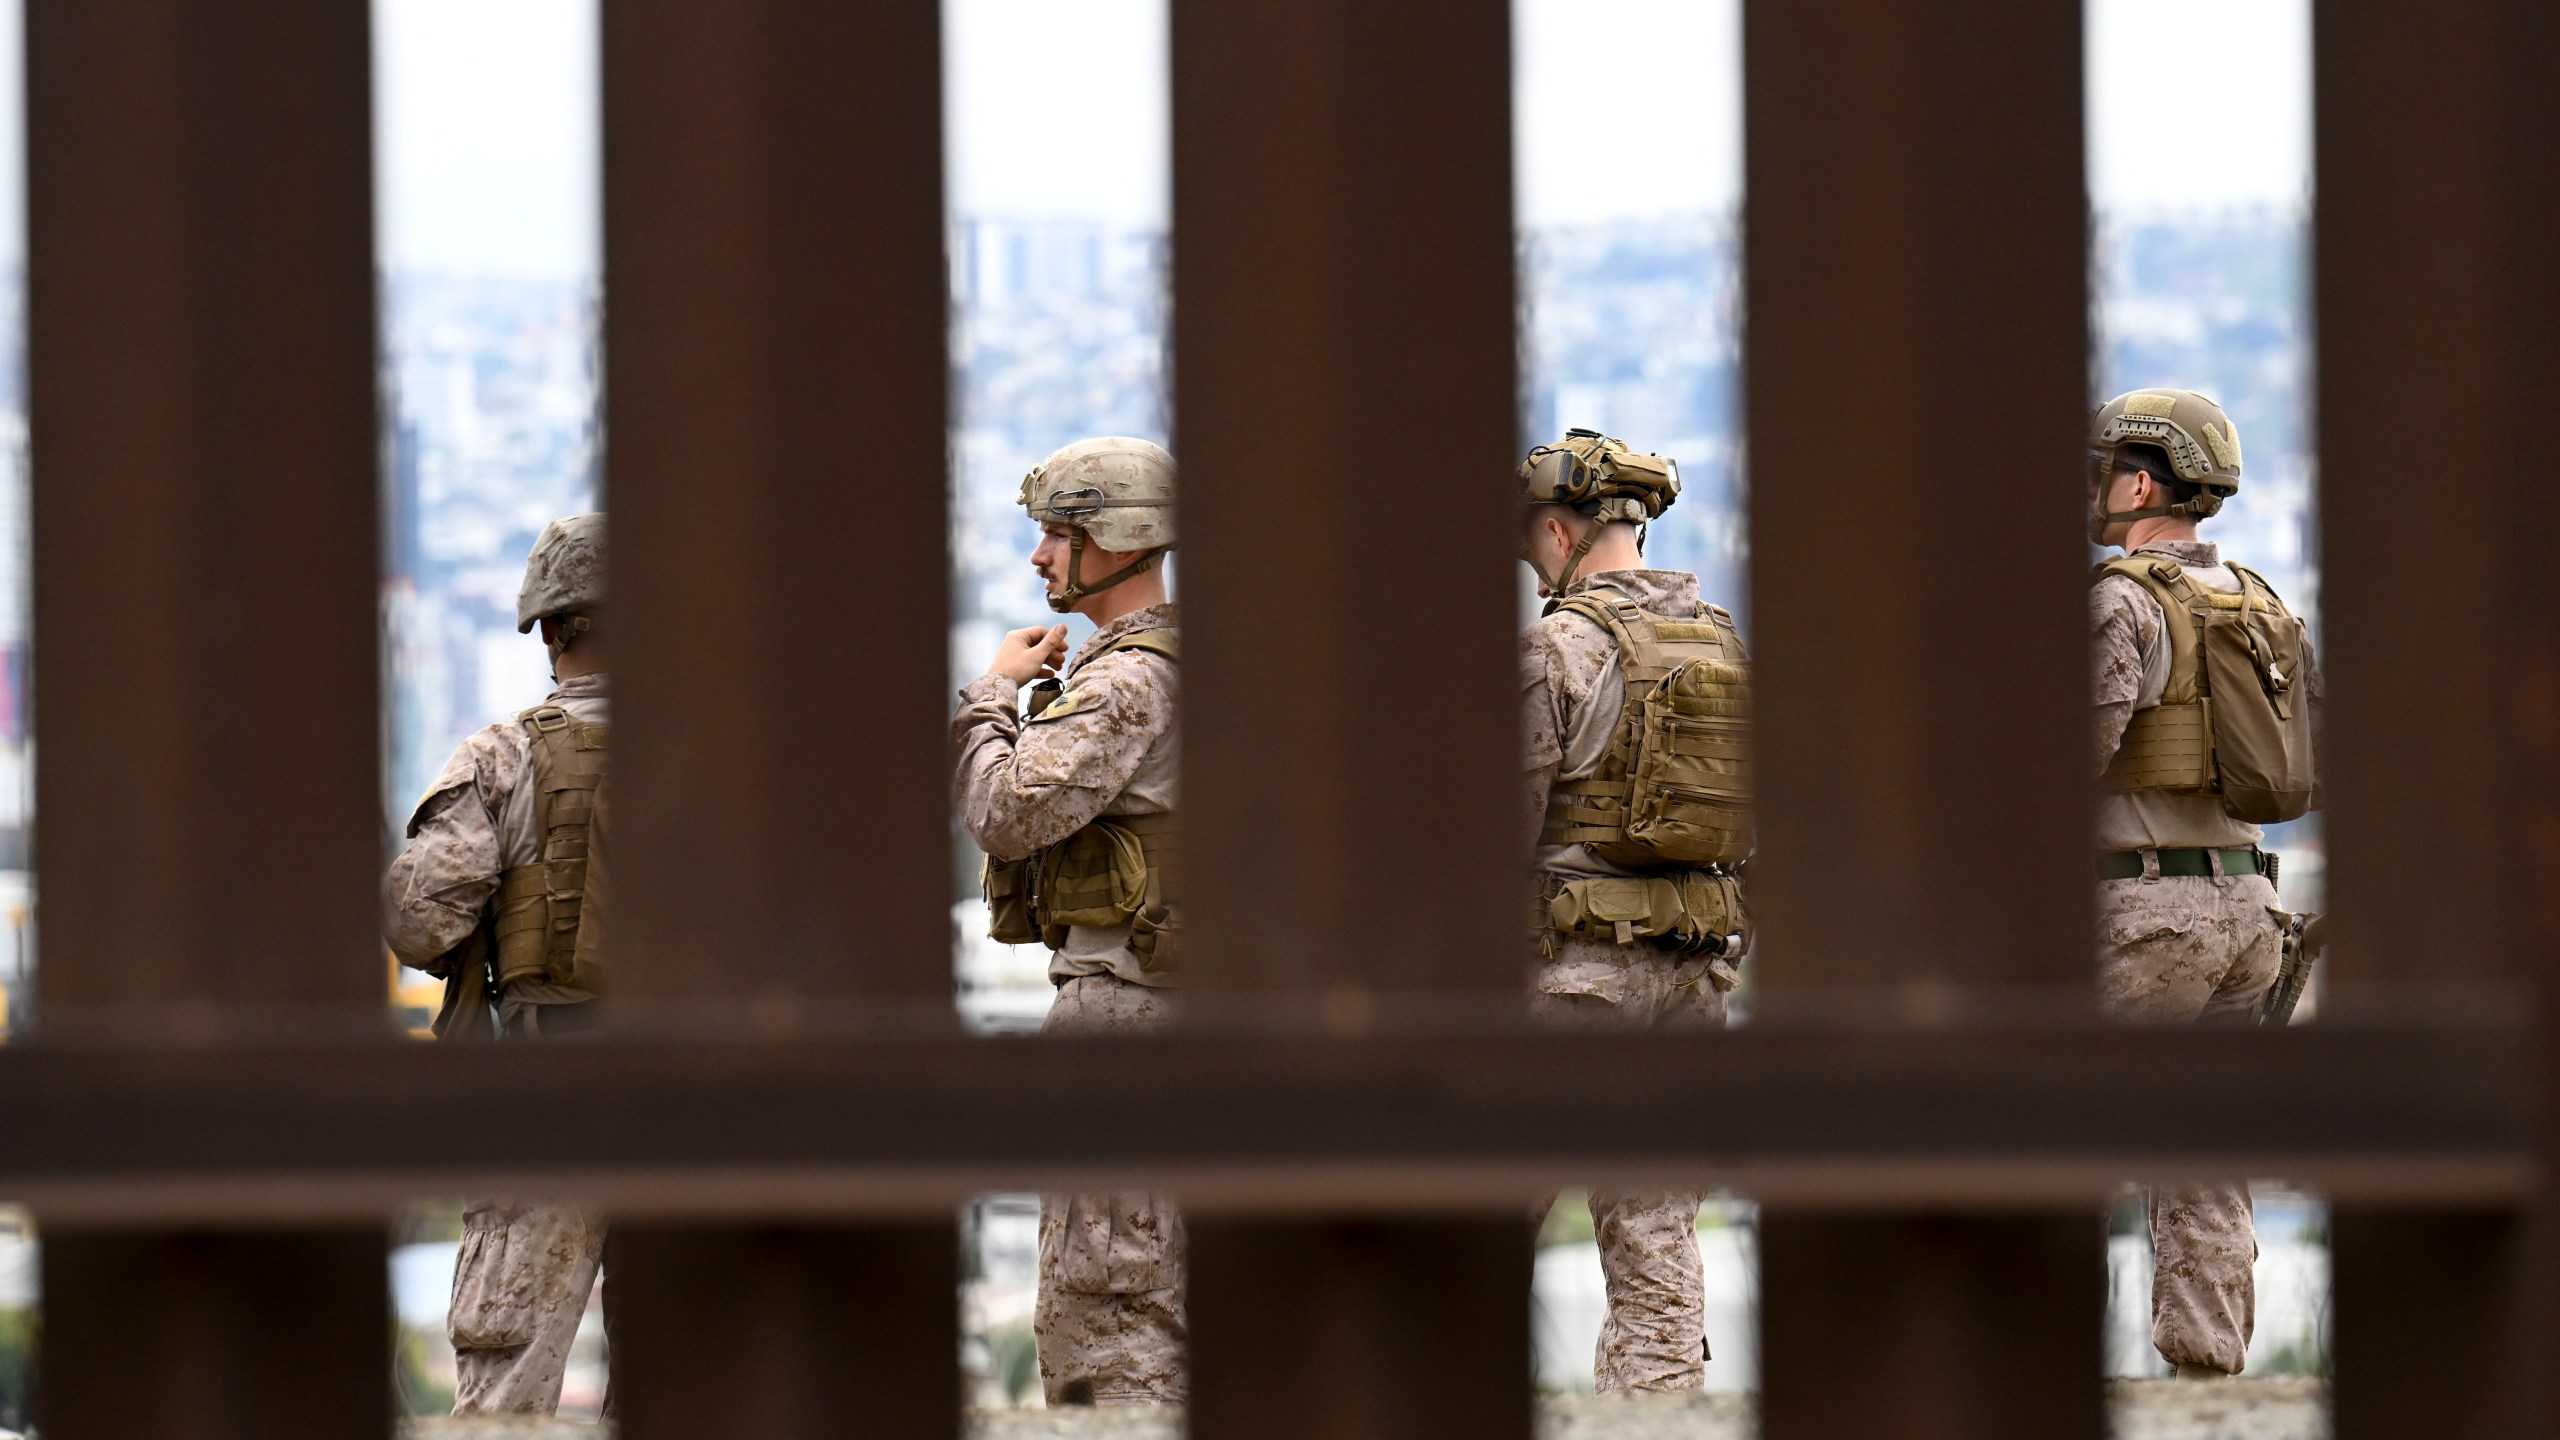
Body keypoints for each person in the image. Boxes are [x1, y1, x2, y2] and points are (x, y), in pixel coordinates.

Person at [2087, 389, 2322, 1377]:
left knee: (2031, 1121)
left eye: (2102, 467)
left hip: (2145, 913)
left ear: (2140, 480)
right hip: (2246, 909)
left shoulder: (2120, 599)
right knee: (2201, 1159)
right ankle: (2208, 1381)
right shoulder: (2260, 600)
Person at [954, 437, 1184, 1405]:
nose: (1041, 558)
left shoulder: (1127, 679)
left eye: (1059, 536)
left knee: (1106, 1303)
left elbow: (1006, 814)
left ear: (1119, 539)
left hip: (1127, 1009)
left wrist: (991, 696)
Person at [1518, 428, 1749, 1392]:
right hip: (1693, 968)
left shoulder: (1555, 650)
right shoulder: (1727, 645)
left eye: (1533, 539)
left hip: (1570, 974)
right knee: (1657, 1234)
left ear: (1565, 535)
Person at [385, 514, 613, 1415]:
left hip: (547, 1092)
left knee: (506, 1385)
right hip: (698, 1100)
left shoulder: (504, 754)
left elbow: (415, 925)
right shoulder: (724, 758)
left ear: (551, 630)